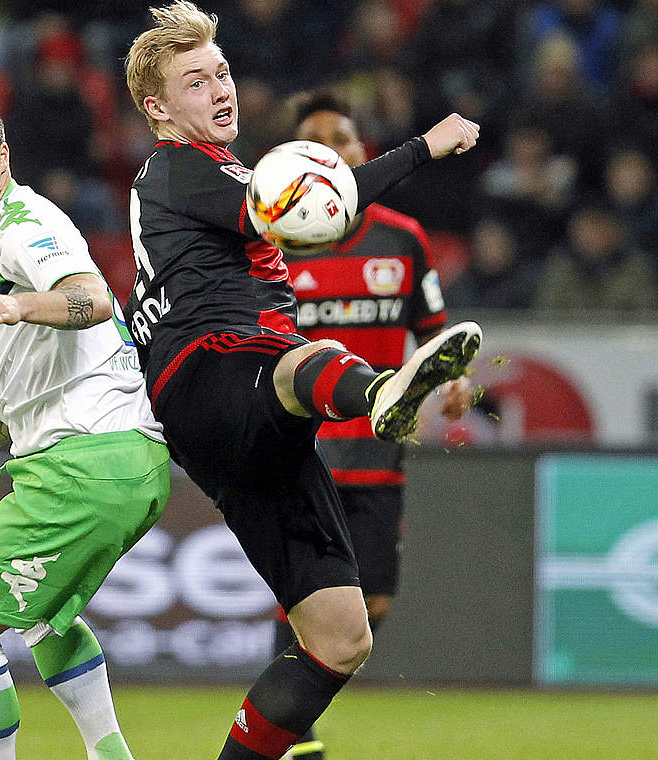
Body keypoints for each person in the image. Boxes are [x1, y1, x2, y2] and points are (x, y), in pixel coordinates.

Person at [122, 5, 481, 759]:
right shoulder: (176, 167)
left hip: (240, 431)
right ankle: (380, 394)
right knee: (289, 359)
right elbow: (325, 208)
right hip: (213, 371)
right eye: (196, 81)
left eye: (221, 72)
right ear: (157, 108)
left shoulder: (211, 177)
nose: (219, 89)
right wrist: (424, 146)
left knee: (339, 637)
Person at [0, 89, 169, 760]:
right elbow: (21, 394)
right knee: (43, 618)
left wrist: (24, 305)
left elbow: (90, 297)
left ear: (1, 157)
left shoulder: (22, 224)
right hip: (114, 461)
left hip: (84, 466)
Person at [269, 91, 476, 760]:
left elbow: (434, 330)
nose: (332, 147)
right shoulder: (274, 247)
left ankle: (292, 712)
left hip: (380, 456)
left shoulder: (402, 237)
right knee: (306, 603)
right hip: (302, 454)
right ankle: (293, 732)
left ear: (362, 153)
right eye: (315, 139)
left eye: (343, 137)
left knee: (374, 602)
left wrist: (457, 378)